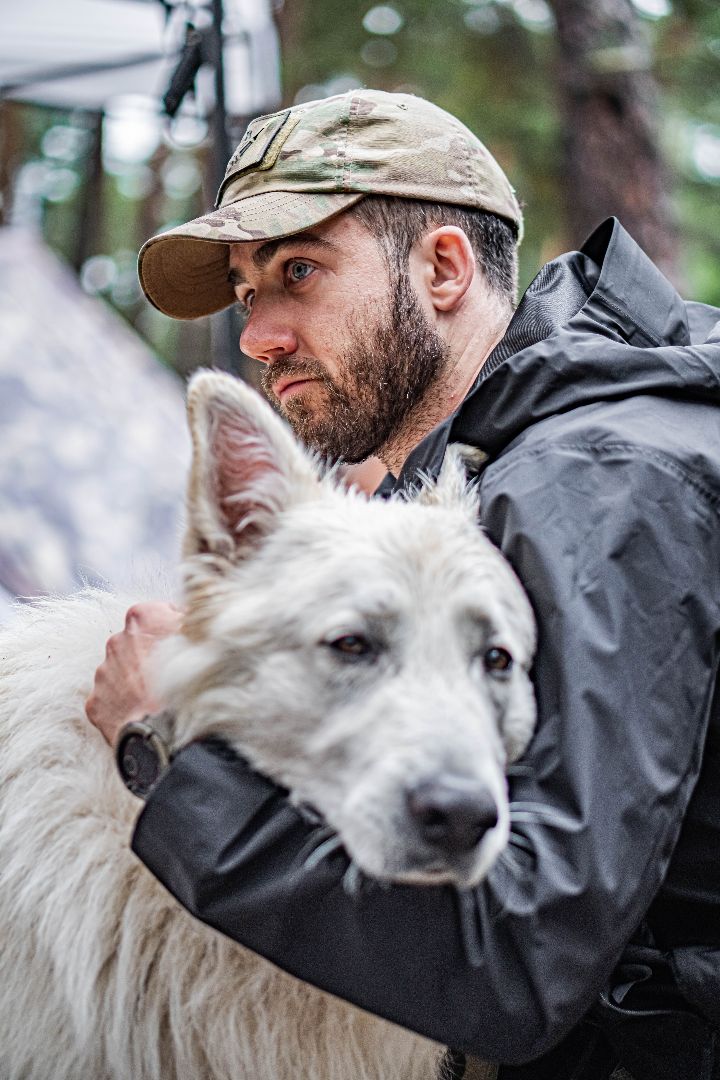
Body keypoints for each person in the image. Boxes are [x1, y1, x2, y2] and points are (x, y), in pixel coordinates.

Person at [86, 89, 720, 1080]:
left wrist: (166, 759)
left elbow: (520, 966)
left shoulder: (595, 477)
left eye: (299, 271)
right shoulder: (512, 461)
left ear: (444, 268)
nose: (258, 335)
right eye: (250, 294)